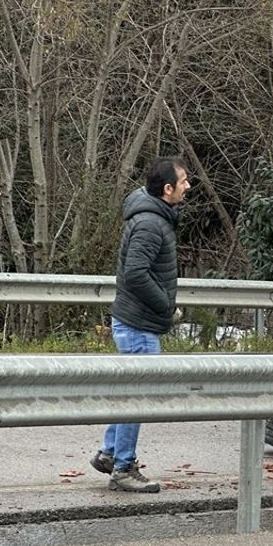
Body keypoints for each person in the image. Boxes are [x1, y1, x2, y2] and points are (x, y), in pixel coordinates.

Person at [91, 157, 191, 493]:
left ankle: (109, 453)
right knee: (138, 396)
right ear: (167, 189)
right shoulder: (151, 222)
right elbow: (135, 273)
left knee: (129, 393)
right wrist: (165, 306)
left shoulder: (152, 215)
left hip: (135, 320)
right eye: (183, 181)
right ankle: (124, 468)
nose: (187, 186)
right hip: (139, 324)